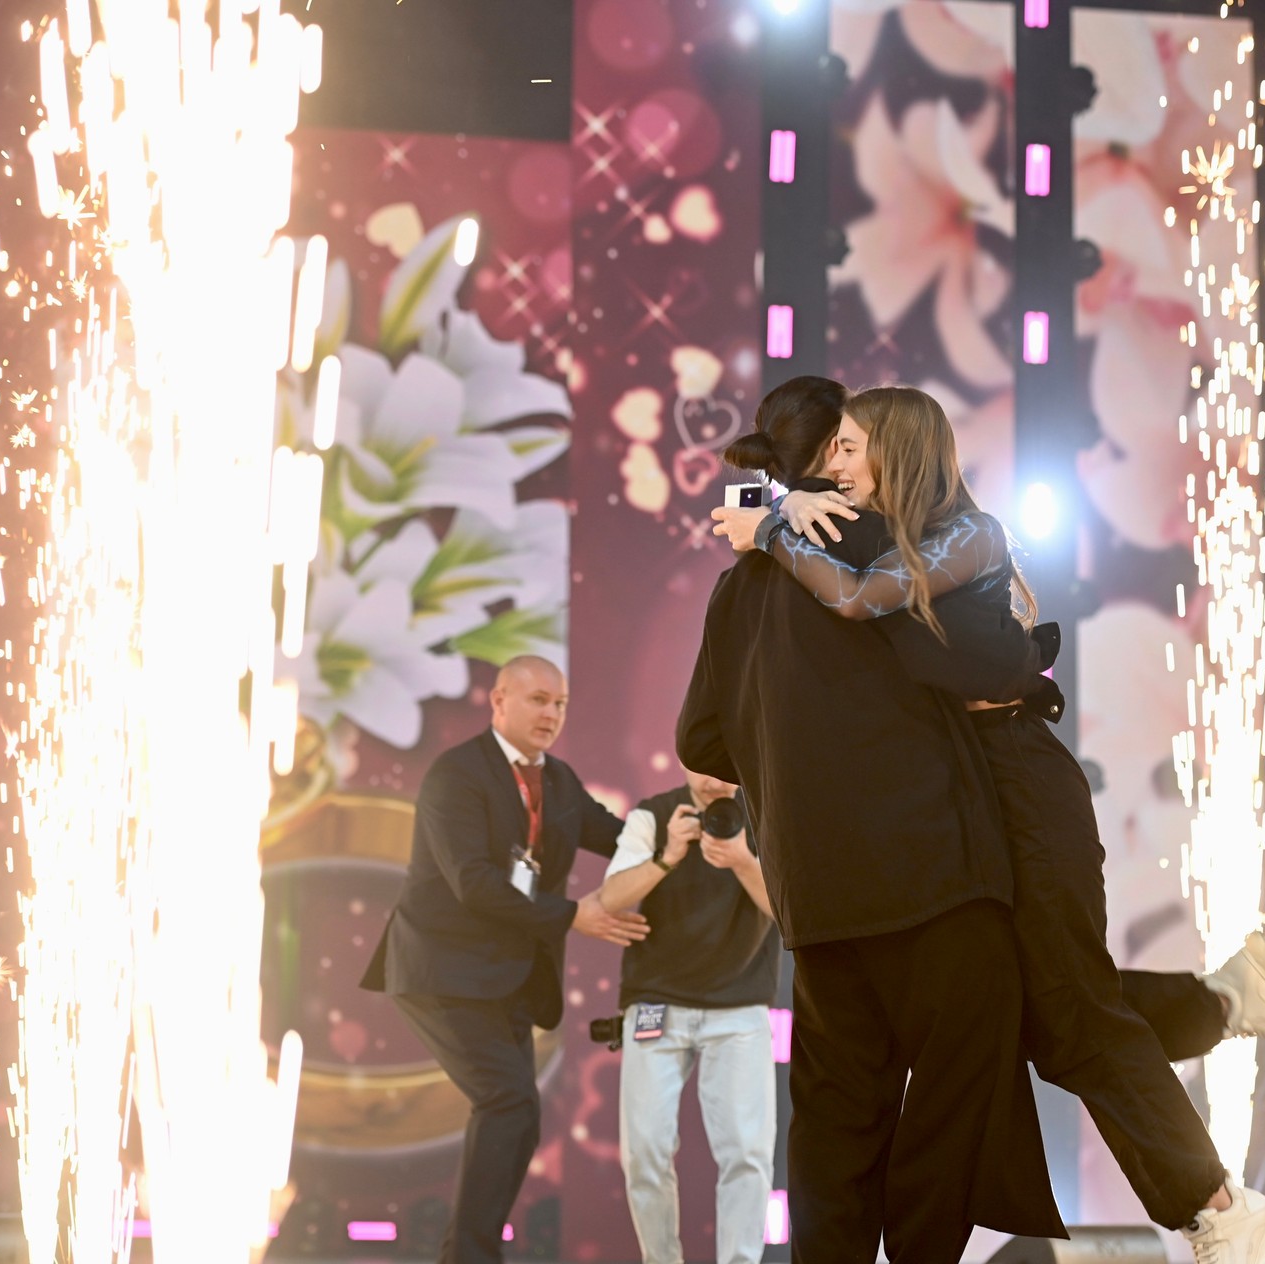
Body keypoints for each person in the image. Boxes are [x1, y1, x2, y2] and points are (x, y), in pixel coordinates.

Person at [715, 384, 1265, 1264]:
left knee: (1067, 1009)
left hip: (1018, 778)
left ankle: (1222, 1207)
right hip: (964, 794)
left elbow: (862, 599)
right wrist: (784, 508)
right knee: (1029, 1005)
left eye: (849, 447)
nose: (833, 465)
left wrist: (775, 524)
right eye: (828, 452)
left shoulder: (965, 535)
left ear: (899, 449)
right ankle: (1222, 1003)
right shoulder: (866, 537)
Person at [677, 383, 1066, 1261]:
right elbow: (987, 661)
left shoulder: (738, 587)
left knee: (834, 1117)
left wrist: (787, 760)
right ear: (830, 454)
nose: (854, 460)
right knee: (963, 1081)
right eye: (847, 445)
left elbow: (699, 740)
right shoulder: (889, 546)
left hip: (815, 893)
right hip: (934, 870)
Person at [358, 656, 649, 1264]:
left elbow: (620, 838)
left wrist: (681, 841)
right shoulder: (457, 774)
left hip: (506, 978)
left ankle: (468, 1254)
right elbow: (475, 883)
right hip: (443, 971)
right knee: (508, 1104)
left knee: (517, 1116)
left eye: (560, 704)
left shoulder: (559, 781)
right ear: (498, 701)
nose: (551, 714)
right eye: (538, 700)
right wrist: (573, 915)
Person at [595, 768, 780, 1264]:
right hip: (656, 1003)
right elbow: (610, 898)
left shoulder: (768, 815)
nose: (715, 780)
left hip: (740, 1005)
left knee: (748, 1154)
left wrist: (742, 860)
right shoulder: (655, 816)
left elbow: (791, 912)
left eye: (726, 768)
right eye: (705, 765)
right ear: (684, 759)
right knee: (644, 1152)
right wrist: (667, 857)